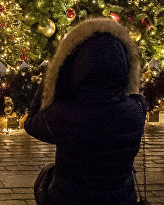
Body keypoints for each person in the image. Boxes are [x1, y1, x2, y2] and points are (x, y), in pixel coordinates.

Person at [26, 18, 146, 205]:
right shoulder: (136, 110)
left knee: (45, 176)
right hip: (121, 200)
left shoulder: (67, 113)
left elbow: (32, 122)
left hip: (71, 200)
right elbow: (134, 94)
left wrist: (51, 77)